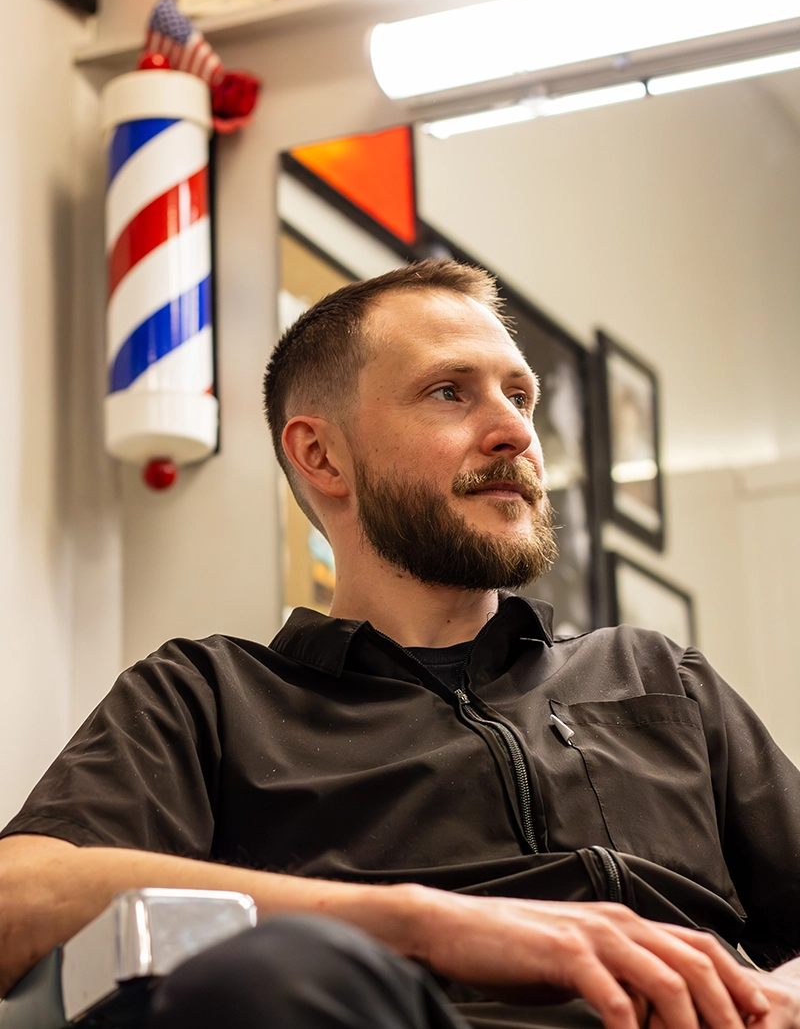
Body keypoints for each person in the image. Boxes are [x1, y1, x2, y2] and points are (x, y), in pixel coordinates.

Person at [2, 259, 800, 1029]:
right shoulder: (208, 697)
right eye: (450, 392)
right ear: (321, 455)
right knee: (268, 971)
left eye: (520, 395)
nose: (515, 431)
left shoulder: (656, 677)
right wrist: (421, 923)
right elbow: (17, 897)